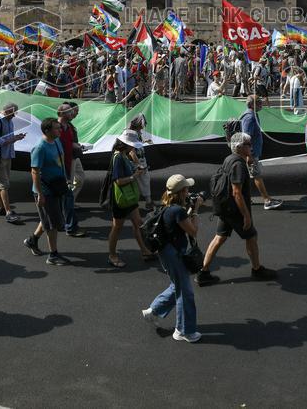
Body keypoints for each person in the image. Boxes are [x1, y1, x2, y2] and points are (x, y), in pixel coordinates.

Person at [195, 132, 276, 286]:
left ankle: (203, 272)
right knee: (251, 237)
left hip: (224, 207)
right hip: (234, 209)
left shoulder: (230, 159)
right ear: (240, 147)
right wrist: (246, 216)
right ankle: (257, 269)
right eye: (248, 144)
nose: (251, 147)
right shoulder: (238, 165)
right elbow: (236, 193)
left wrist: (248, 161)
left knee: (219, 237)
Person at [142, 174, 202, 342]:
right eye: (187, 189)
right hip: (174, 254)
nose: (188, 192)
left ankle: (153, 311)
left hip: (166, 252)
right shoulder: (178, 211)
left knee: (177, 285)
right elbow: (193, 231)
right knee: (185, 292)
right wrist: (196, 209)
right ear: (181, 192)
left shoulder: (166, 206)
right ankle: (184, 331)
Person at [23, 117, 71, 265]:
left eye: (59, 127)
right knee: (52, 224)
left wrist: (66, 179)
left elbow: (61, 161)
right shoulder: (40, 148)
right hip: (46, 191)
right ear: (47, 130)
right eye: (57, 128)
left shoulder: (56, 141)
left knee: (49, 218)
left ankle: (32, 240)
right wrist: (40, 194)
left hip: (57, 186)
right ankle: (53, 255)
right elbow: (35, 172)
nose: (60, 130)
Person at [105, 134, 155, 268]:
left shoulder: (123, 155)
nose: (133, 148)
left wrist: (136, 169)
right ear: (125, 144)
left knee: (138, 223)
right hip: (121, 198)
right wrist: (135, 176)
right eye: (132, 145)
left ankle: (144, 251)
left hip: (129, 197)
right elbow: (118, 181)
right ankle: (112, 256)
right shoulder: (118, 158)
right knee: (117, 227)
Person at [239, 95, 283, 210]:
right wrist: (249, 155)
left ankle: (245, 198)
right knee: (257, 176)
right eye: (258, 101)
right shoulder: (250, 117)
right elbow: (246, 137)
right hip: (251, 153)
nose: (261, 103)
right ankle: (267, 201)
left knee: (247, 177)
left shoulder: (253, 115)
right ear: (252, 104)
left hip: (251, 152)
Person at [0, 102, 26, 224]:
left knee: (0, 183)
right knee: (4, 184)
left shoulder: (9, 121)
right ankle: (8, 212)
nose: (14, 115)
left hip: (7, 155)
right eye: (13, 113)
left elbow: (8, 138)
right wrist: (12, 139)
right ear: (8, 111)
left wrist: (16, 138)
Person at [56, 102, 86, 237]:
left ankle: (65, 224)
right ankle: (69, 226)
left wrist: (76, 146)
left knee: (66, 195)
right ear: (62, 113)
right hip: (62, 165)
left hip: (70, 161)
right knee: (64, 196)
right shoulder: (57, 128)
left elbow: (69, 143)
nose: (74, 113)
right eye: (71, 111)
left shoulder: (68, 127)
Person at [123, 114, 153, 207]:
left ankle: (145, 201)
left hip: (139, 160)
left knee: (141, 181)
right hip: (135, 162)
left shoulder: (136, 132)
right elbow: (131, 152)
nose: (142, 127)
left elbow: (136, 145)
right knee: (140, 181)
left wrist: (145, 141)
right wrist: (139, 165)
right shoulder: (130, 133)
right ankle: (147, 202)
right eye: (141, 125)